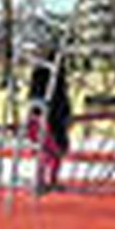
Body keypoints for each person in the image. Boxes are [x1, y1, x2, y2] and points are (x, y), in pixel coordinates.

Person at [26, 61, 72, 190]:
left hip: (39, 119)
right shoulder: (55, 86)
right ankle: (47, 179)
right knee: (53, 150)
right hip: (47, 120)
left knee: (46, 151)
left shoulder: (40, 87)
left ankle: (44, 179)